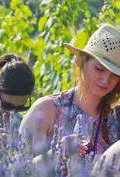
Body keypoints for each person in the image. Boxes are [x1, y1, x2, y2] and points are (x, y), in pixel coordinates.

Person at [20, 24, 120, 156]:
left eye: (114, 75)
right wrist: (55, 154)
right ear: (82, 62)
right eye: (99, 69)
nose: (106, 80)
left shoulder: (115, 119)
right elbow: (17, 168)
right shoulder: (46, 109)